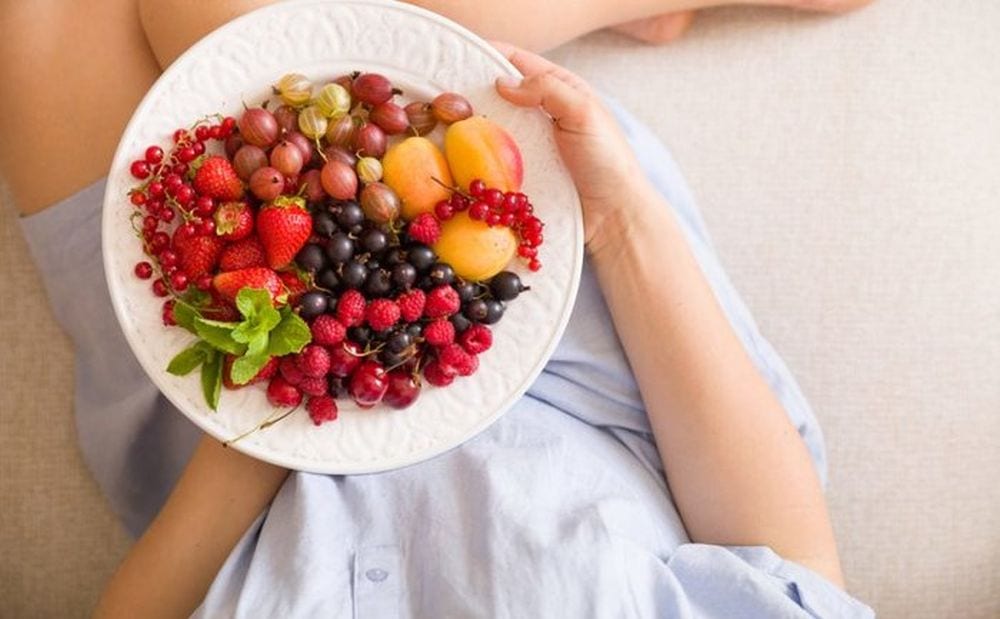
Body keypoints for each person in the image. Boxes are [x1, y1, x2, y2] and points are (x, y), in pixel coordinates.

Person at [1, 1, 875, 617]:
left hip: (236, 415)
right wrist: (621, 222)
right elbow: (791, 561)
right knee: (216, 14)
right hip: (527, 344)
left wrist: (273, 415)